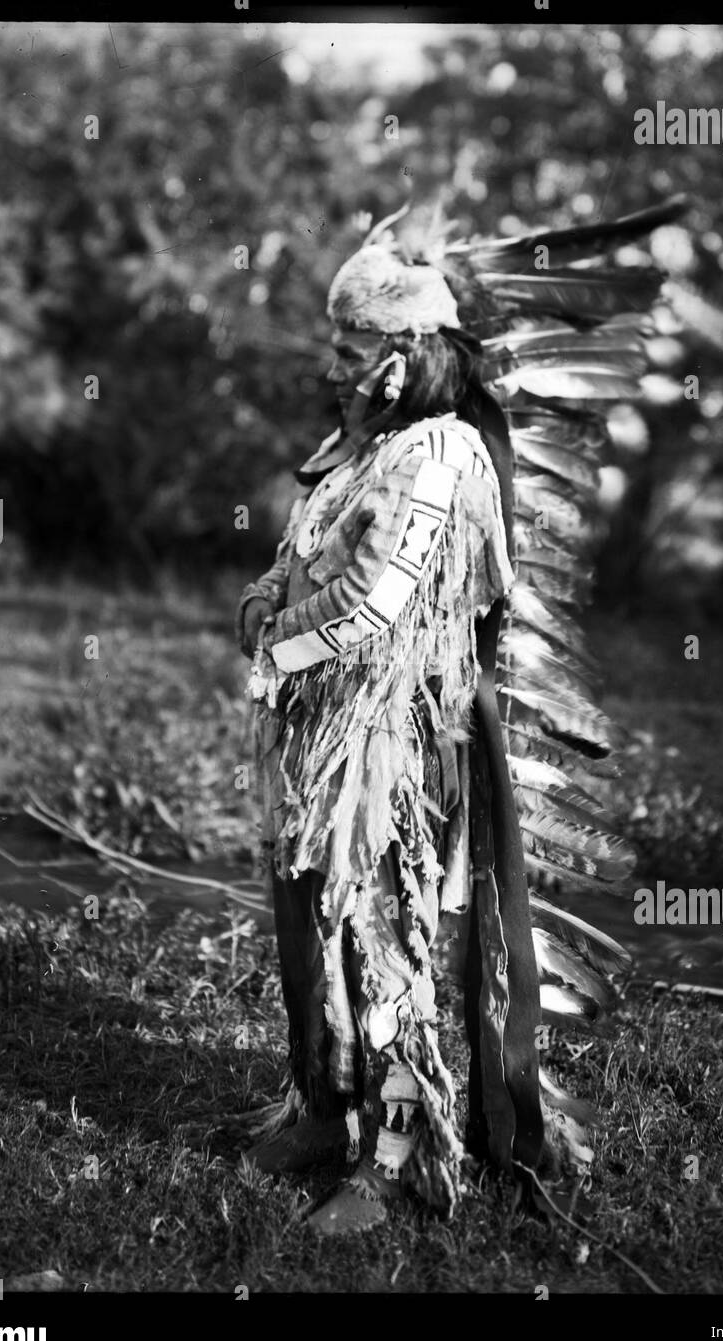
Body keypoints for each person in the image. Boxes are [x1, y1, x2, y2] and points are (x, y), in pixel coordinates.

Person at [234, 235, 546, 1235]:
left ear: (400, 355)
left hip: (394, 747)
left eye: (348, 344)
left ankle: (396, 1157)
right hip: (320, 734)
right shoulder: (363, 446)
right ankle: (323, 1112)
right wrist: (268, 592)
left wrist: (277, 653)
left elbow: (376, 604)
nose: (331, 364)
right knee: (310, 931)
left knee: (386, 950)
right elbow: (313, 553)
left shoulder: (441, 452)